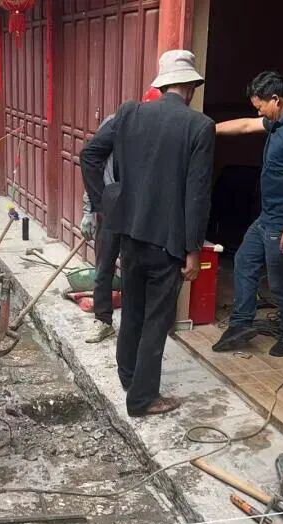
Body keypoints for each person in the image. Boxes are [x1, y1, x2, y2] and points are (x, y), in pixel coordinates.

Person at [81, 50, 215, 417]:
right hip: (168, 242)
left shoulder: (129, 114)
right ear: (190, 87)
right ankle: (142, 399)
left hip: (129, 234)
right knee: (157, 319)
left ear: (163, 84)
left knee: (133, 311)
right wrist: (193, 250)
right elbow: (197, 195)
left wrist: (106, 202)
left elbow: (89, 155)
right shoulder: (200, 126)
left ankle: (128, 377)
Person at [212, 71, 283, 357]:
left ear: (276, 99)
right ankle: (240, 324)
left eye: (260, 106)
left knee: (281, 281)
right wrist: (207, 128)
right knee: (244, 261)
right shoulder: (279, 119)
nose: (258, 112)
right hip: (267, 217)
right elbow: (246, 125)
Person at [80, 87, 162, 345]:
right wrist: (91, 209)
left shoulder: (162, 131)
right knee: (104, 266)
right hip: (111, 203)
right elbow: (91, 161)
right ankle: (103, 320)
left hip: (139, 209)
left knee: (133, 266)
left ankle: (134, 324)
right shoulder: (115, 124)